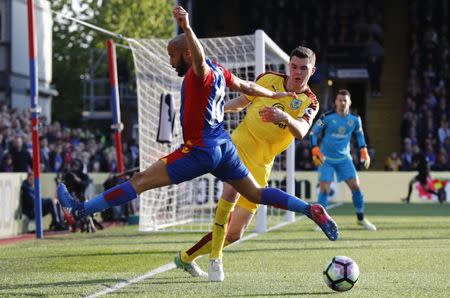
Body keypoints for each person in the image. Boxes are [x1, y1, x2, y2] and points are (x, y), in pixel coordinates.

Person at [56, 6, 338, 282]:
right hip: (229, 147)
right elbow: (248, 91)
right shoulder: (225, 73)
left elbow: (201, 60)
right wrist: (268, 97)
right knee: (254, 194)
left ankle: (81, 209)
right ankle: (307, 209)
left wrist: (187, 27)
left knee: (140, 181)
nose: (170, 61)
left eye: (172, 55)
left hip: (202, 150)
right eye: (294, 66)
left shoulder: (200, 72)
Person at [174, 45, 321, 278]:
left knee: (235, 233)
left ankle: (185, 258)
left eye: (304, 68)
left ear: (312, 71)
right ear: (289, 66)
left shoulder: (310, 102)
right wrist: (218, 110)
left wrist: (284, 117)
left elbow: (302, 131)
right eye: (294, 66)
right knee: (228, 201)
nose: (297, 72)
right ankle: (215, 260)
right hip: (238, 148)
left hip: (263, 163)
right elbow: (243, 100)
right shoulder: (268, 79)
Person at [310, 89, 376, 231]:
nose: (342, 103)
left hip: (344, 158)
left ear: (349, 102)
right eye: (340, 100)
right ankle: (322, 223)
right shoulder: (326, 117)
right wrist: (315, 149)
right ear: (335, 102)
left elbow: (359, 136)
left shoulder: (354, 120)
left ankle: (361, 218)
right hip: (326, 159)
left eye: (345, 100)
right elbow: (313, 133)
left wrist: (364, 151)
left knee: (356, 187)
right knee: (324, 189)